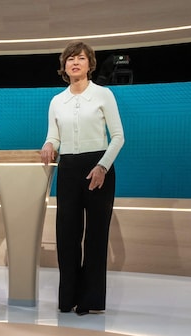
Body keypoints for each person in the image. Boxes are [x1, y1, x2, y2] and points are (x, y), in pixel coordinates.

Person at [40, 41, 125, 315]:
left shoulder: (103, 95)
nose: (75, 63)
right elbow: (53, 135)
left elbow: (119, 137)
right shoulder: (57, 101)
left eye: (81, 58)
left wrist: (102, 166)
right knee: (67, 235)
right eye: (70, 59)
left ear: (90, 64)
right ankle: (68, 298)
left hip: (98, 167)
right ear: (64, 67)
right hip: (68, 168)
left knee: (96, 237)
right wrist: (49, 144)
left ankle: (92, 300)